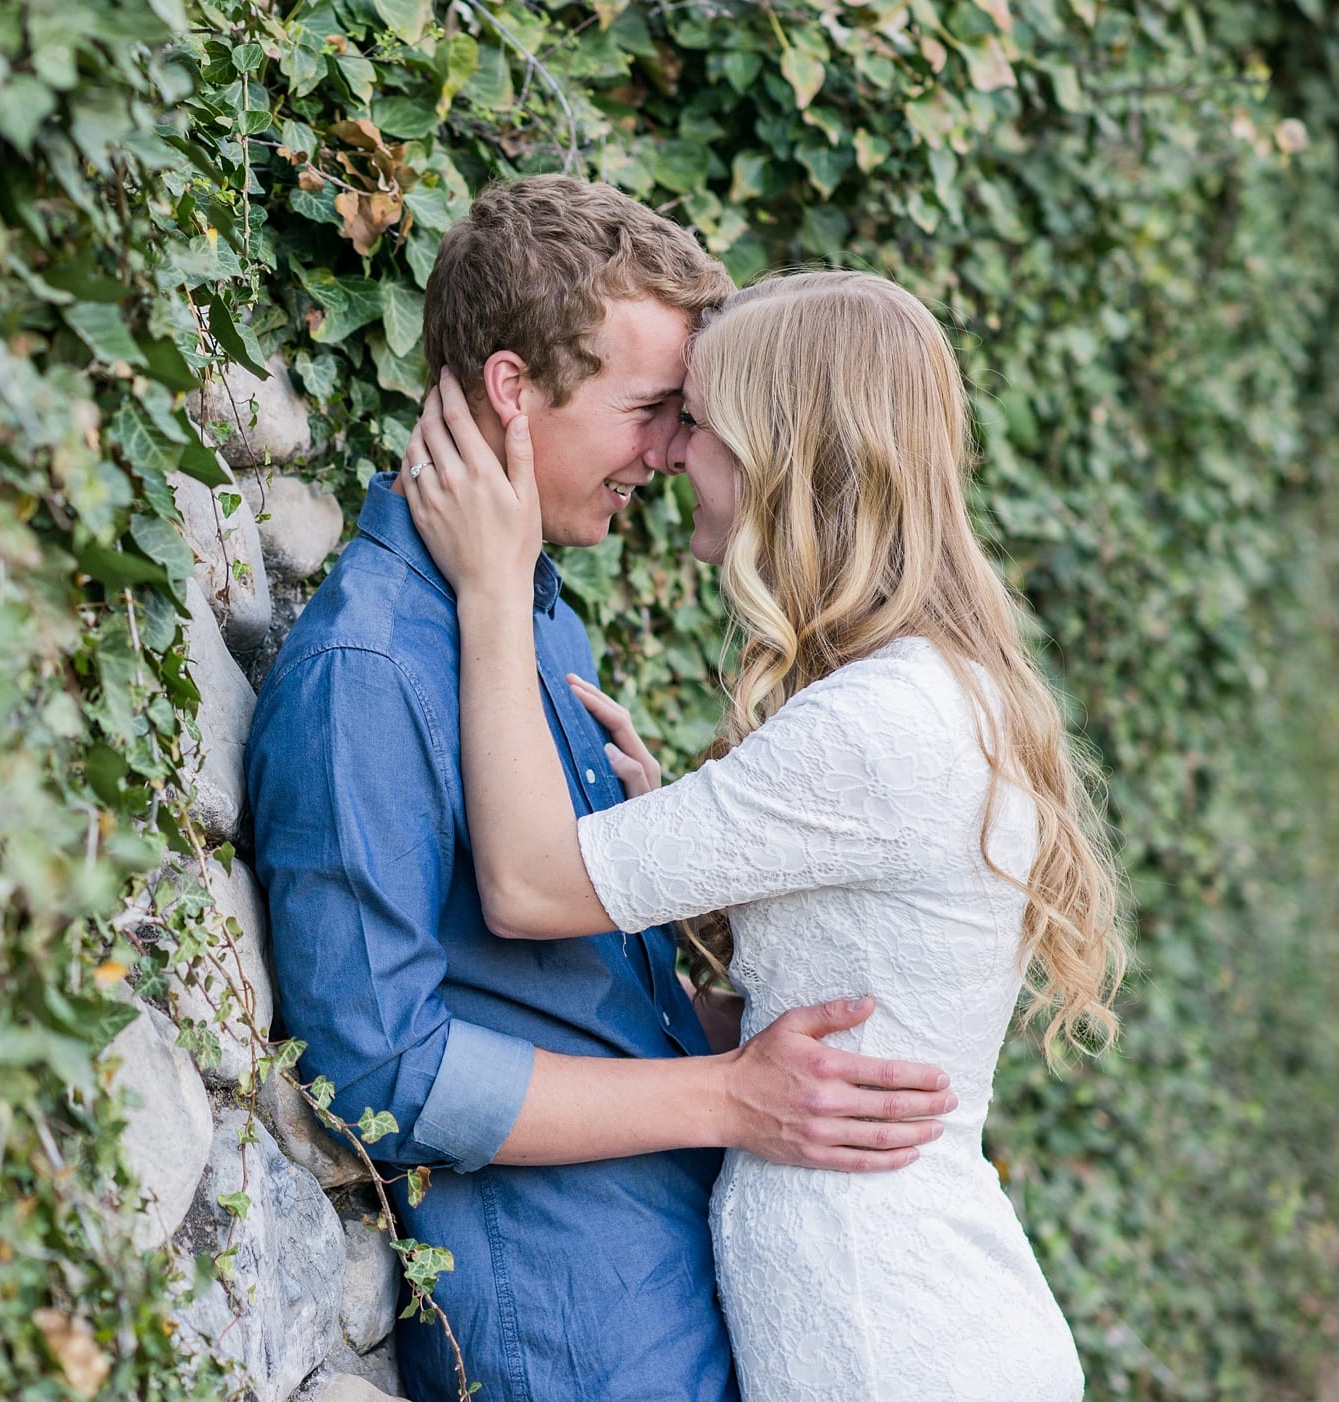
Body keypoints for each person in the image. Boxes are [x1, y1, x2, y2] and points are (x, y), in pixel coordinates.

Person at [245, 178, 960, 1402]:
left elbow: (569, 985)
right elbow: (374, 1073)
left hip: (673, 1279)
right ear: (514, 391)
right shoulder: (366, 667)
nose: (673, 452)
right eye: (651, 411)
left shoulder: (533, 618)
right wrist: (728, 1094)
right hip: (568, 1323)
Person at [398, 267, 1128, 1400]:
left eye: (701, 421)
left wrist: (494, 589)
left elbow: (530, 887)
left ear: (786, 452)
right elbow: (838, 996)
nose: (676, 450)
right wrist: (674, 842)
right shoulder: (929, 691)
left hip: (896, 1345)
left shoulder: (879, 723)